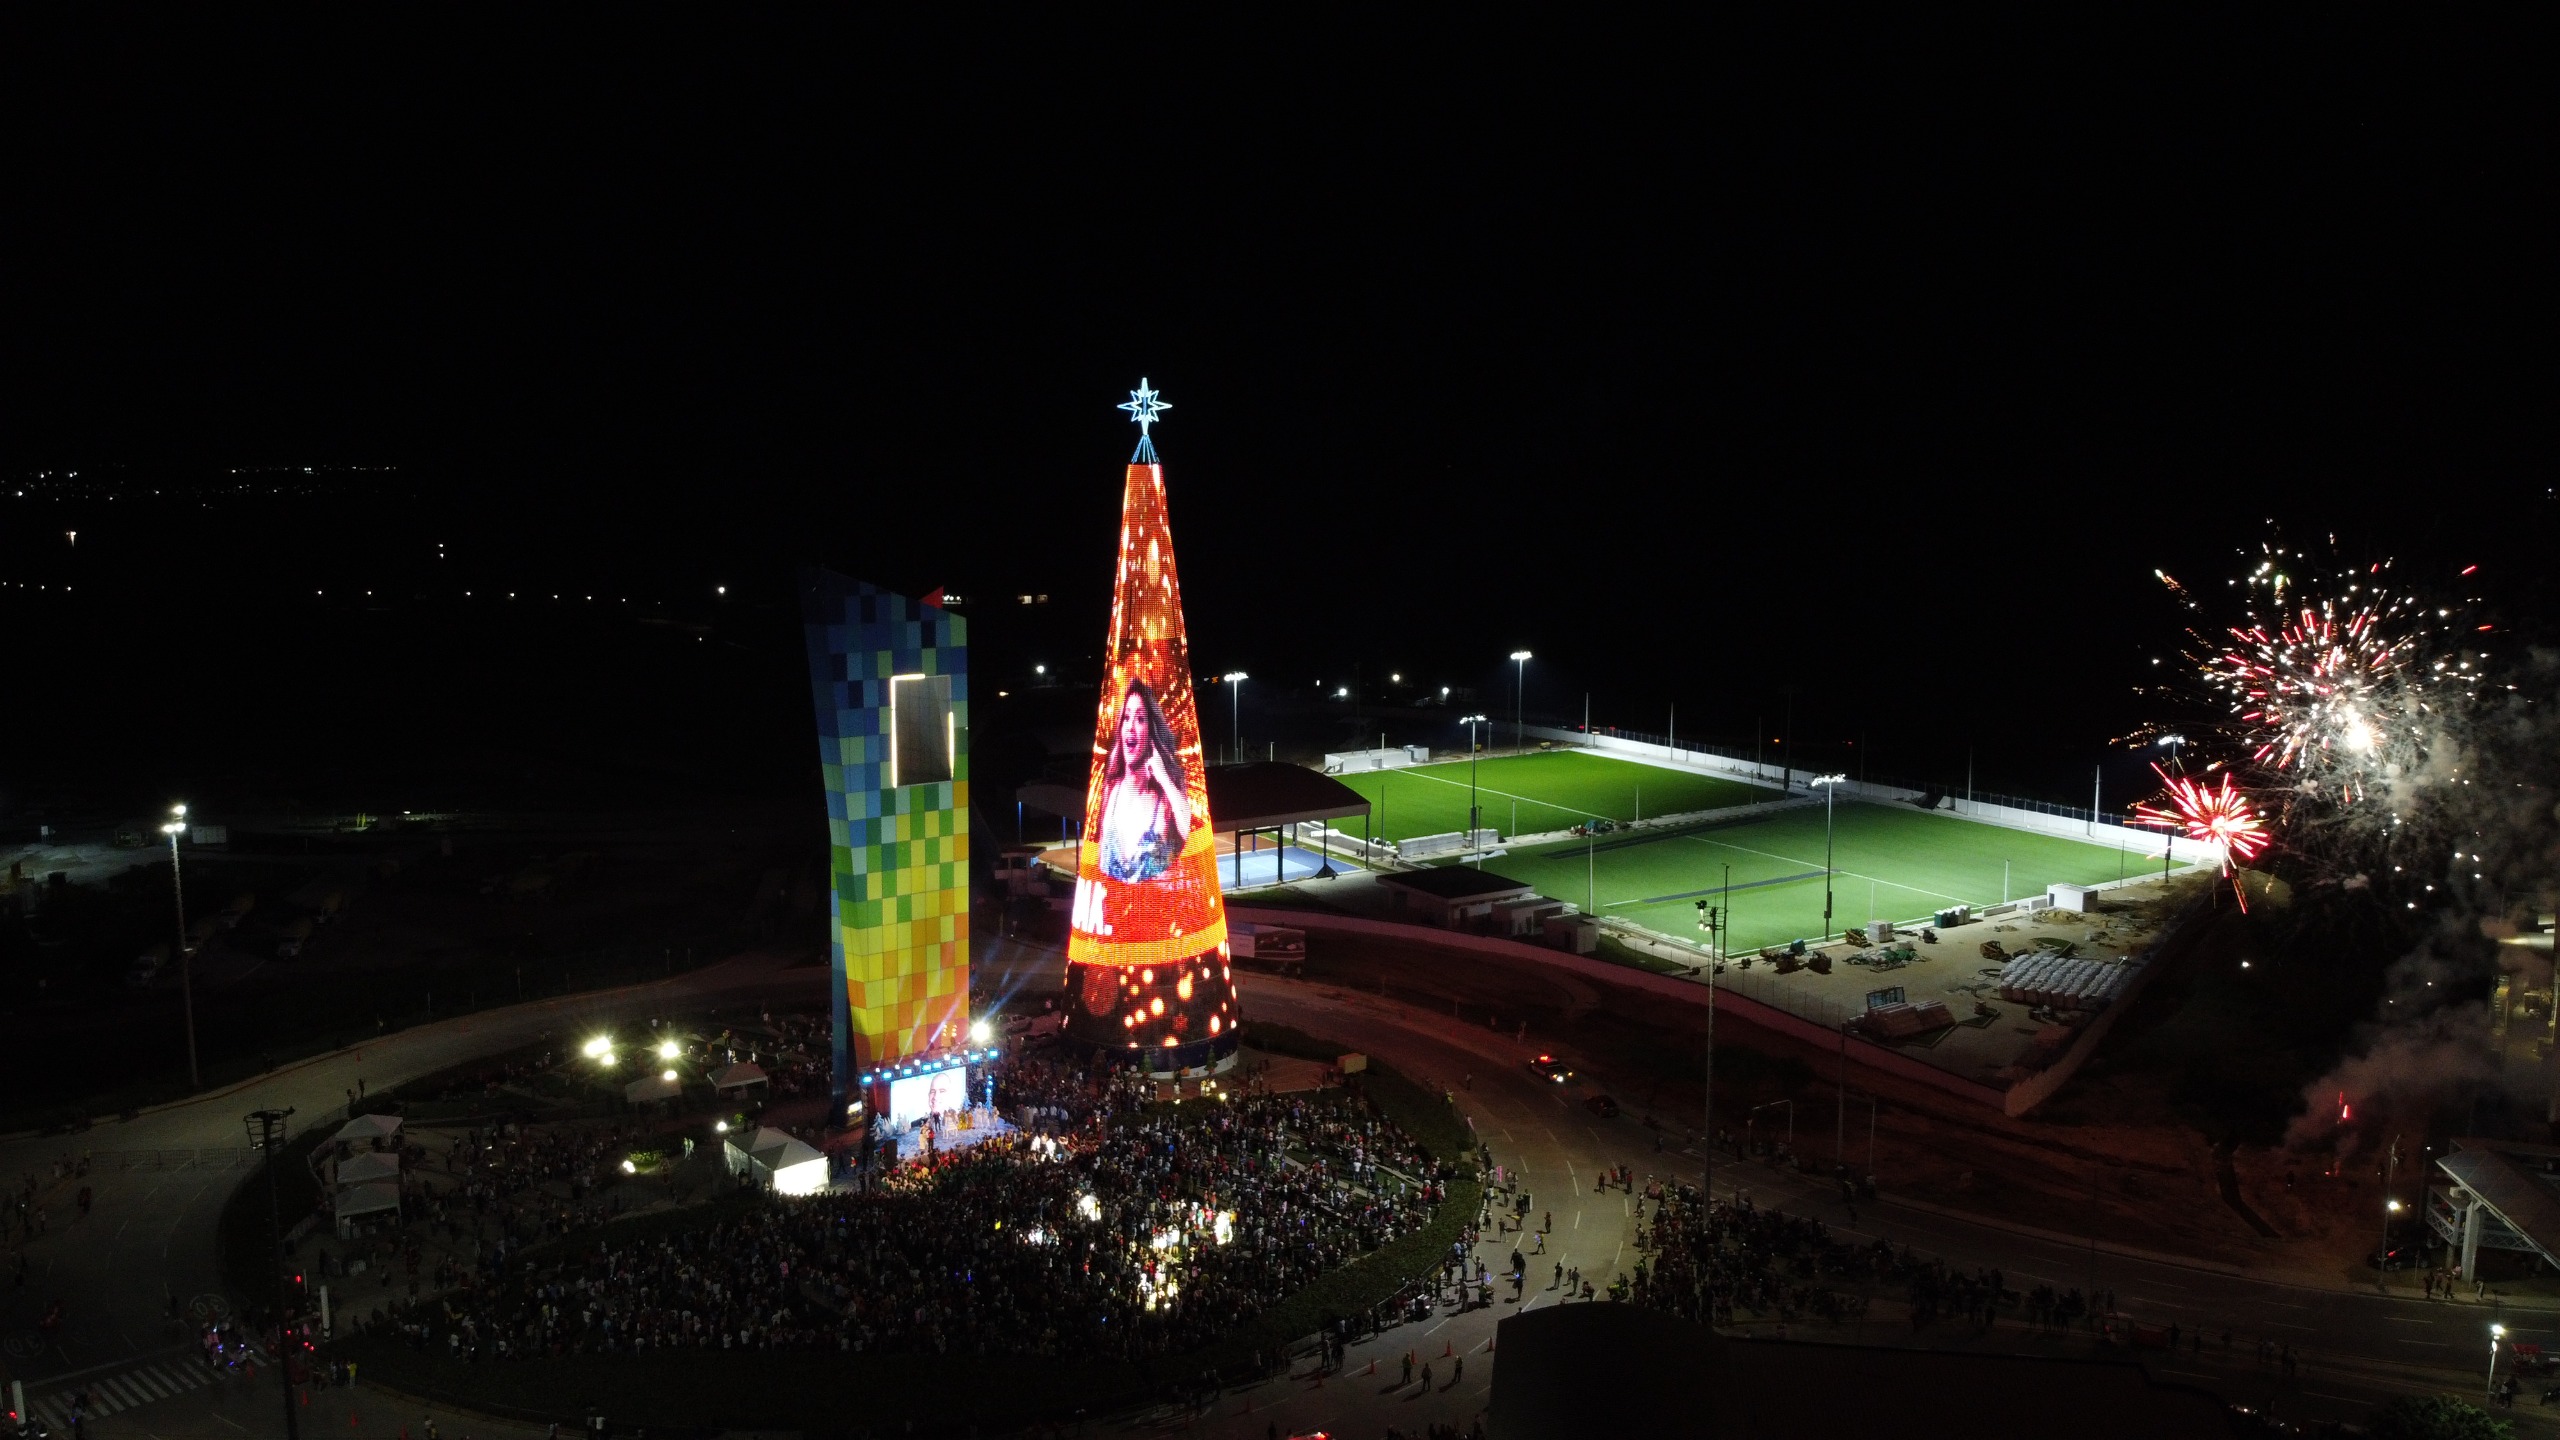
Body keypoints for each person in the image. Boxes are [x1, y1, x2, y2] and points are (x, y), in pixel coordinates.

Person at [1097, 680, 1191, 882]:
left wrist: (1164, 778)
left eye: (1140, 718)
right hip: (1116, 911)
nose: (1130, 727)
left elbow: (1190, 831)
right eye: (1126, 718)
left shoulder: (1166, 797)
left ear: (1151, 731)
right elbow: (1100, 864)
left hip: (1160, 909)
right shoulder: (1110, 790)